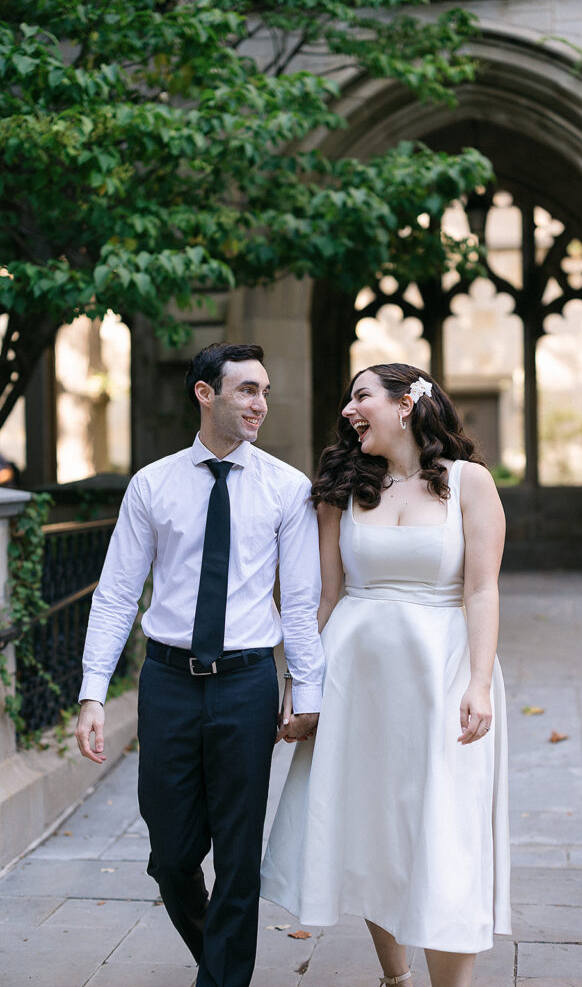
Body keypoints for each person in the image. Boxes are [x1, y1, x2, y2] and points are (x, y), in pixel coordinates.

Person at [75, 342, 324, 987]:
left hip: (245, 683)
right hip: (167, 683)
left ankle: (221, 980)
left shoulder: (286, 488)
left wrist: (306, 689)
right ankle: (218, 953)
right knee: (172, 855)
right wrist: (93, 693)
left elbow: (299, 603)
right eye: (246, 390)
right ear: (205, 394)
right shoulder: (153, 484)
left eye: (265, 391)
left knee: (239, 856)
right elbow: (116, 594)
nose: (260, 405)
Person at [261, 363, 511, 987]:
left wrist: (478, 683)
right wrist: (301, 686)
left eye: (361, 396)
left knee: (445, 831)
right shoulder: (343, 490)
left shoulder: (469, 483)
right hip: (357, 681)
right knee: (373, 827)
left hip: (442, 676)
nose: (349, 408)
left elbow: (482, 591)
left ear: (406, 404)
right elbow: (324, 597)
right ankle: (395, 978)